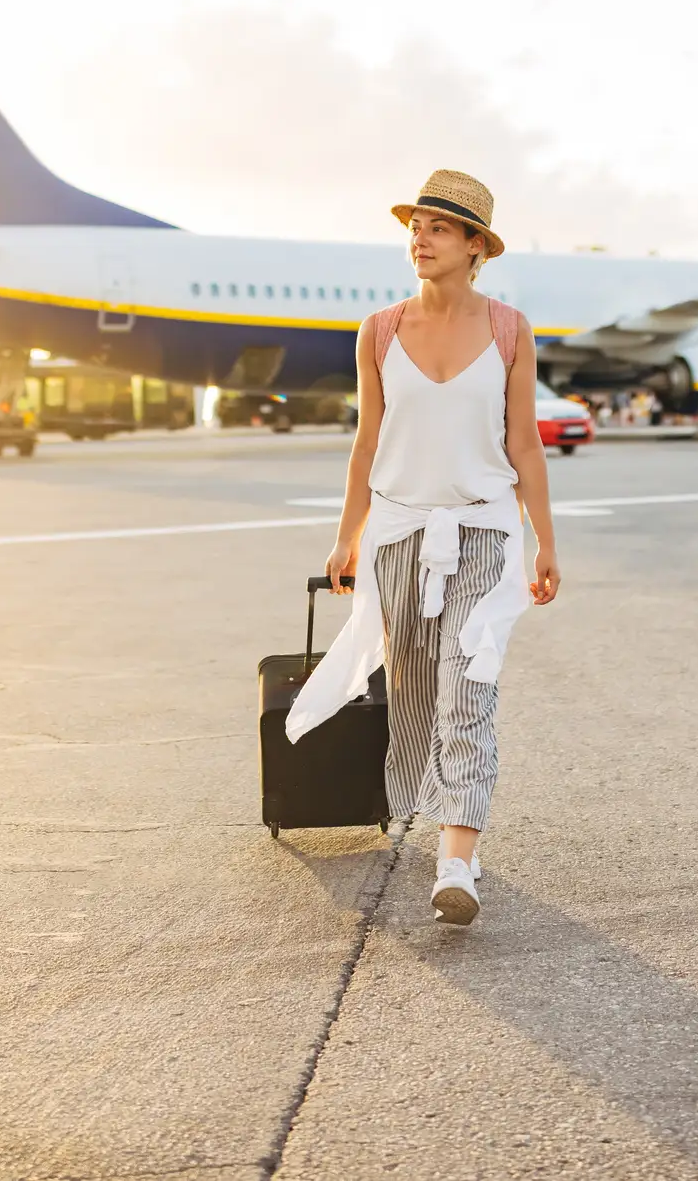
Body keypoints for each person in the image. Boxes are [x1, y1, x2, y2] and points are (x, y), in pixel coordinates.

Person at [285, 169, 560, 927]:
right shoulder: (379, 330)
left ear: (476, 246)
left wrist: (544, 542)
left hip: (486, 531)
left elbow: (525, 445)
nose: (421, 238)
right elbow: (367, 444)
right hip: (401, 534)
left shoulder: (509, 329)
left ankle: (458, 863)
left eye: (439, 228)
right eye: (417, 226)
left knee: (467, 688)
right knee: (411, 698)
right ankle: (436, 820)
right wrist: (346, 537)